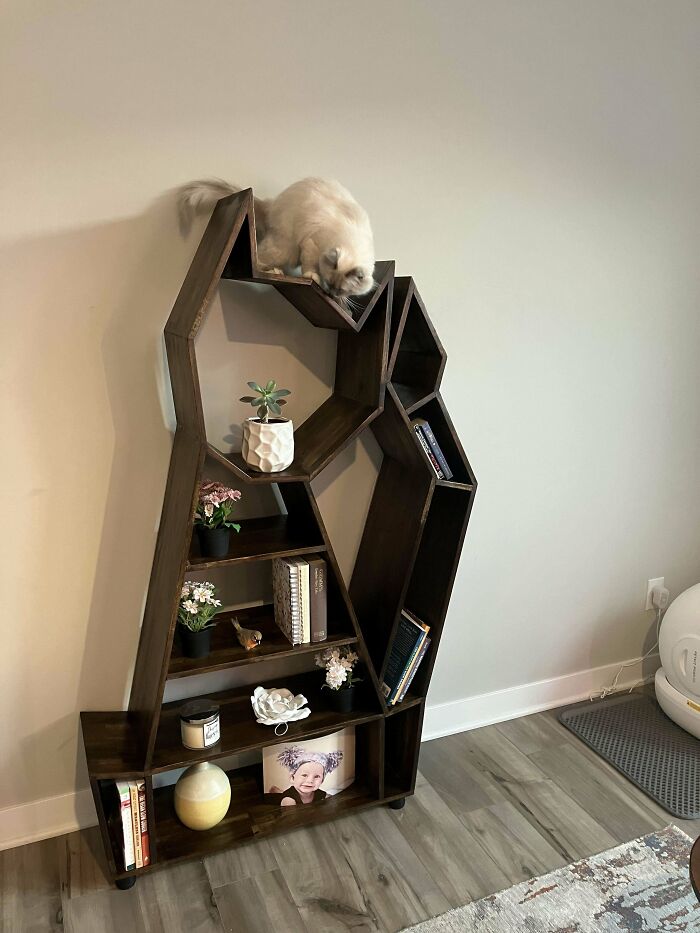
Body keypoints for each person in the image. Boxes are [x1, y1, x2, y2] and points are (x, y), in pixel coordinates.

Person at [266, 746, 343, 806]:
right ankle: (276, 792)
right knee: (277, 796)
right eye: (304, 775)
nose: (310, 781)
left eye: (316, 776)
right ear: (292, 778)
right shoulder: (288, 800)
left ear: (322, 780)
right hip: (281, 798)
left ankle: (278, 791)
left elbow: (333, 800)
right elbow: (291, 819)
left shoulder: (319, 793)